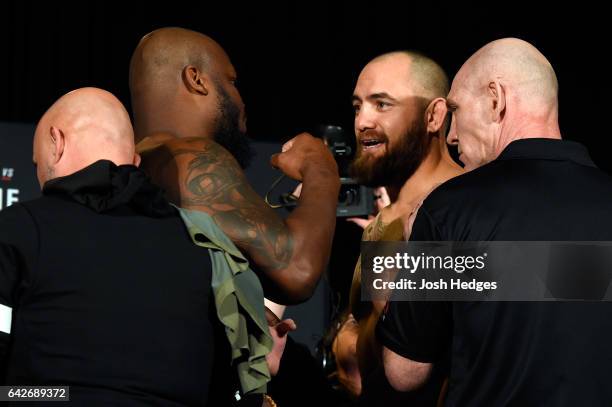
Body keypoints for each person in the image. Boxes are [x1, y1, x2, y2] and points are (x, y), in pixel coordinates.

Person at [378, 38, 612, 405]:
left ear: (495, 99)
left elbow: (404, 373)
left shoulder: (446, 209)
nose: (451, 135)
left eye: (455, 110)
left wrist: (410, 258)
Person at [0, 88, 228, 405]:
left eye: (37, 163)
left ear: (57, 142)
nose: (39, 178)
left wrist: (21, 395)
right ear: (133, 161)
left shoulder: (19, 227)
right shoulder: (204, 246)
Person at [129, 27, 340, 305]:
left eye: (381, 104)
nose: (241, 100)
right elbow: (298, 271)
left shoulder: (130, 166)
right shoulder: (189, 156)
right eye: (232, 82)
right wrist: (321, 167)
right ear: (196, 79)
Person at [345, 51, 463, 405]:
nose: (362, 121)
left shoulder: (467, 210)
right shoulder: (383, 219)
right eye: (357, 106)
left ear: (434, 115)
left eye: (382, 104)